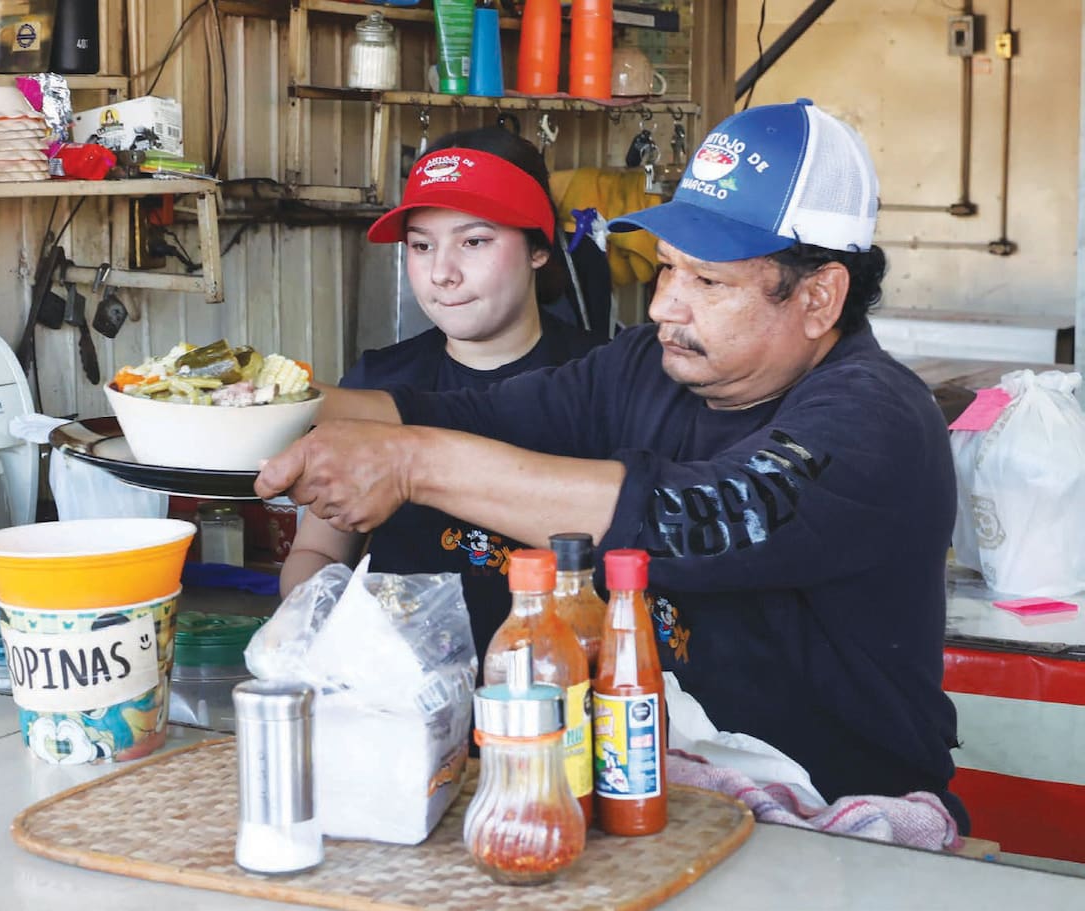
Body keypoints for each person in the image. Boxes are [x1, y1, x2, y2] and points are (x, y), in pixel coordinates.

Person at [257, 99, 968, 832]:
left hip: (834, 826)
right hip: (662, 799)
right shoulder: (648, 367)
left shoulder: (875, 420)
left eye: (707, 282)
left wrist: (409, 467)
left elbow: (682, 514)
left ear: (819, 297)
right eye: (666, 270)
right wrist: (250, 404)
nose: (664, 306)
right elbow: (472, 414)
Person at [278, 127, 603, 676]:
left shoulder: (605, 381)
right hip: (403, 705)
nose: (441, 273)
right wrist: (323, 632)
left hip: (563, 704)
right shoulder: (376, 385)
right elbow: (318, 553)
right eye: (422, 245)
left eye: (474, 241)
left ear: (539, 247)